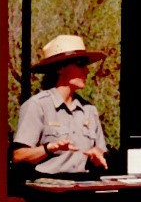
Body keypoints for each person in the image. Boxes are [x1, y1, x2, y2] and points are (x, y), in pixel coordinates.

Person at [12, 34, 110, 176]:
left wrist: (97, 156)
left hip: (82, 189)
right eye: (80, 64)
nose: (87, 71)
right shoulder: (38, 105)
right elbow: (19, 155)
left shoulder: (89, 110)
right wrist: (48, 148)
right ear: (60, 68)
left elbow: (100, 152)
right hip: (47, 190)